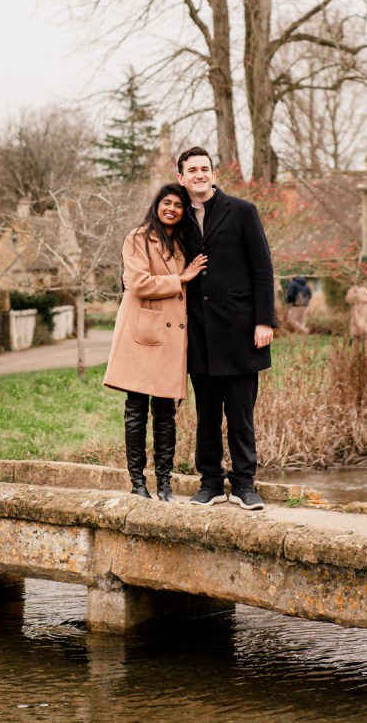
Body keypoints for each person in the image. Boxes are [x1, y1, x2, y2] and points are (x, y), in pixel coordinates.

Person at [176, 146, 276, 511]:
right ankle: (211, 483)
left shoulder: (243, 211)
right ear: (181, 177)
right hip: (198, 335)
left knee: (240, 414)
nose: (199, 174)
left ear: (213, 174)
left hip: (240, 332)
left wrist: (264, 320)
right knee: (206, 415)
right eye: (192, 169)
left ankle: (246, 484)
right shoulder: (176, 217)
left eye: (205, 168)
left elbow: (262, 268)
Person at [104, 183, 207, 501]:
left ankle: (164, 484)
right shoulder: (138, 237)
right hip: (142, 333)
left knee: (165, 413)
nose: (172, 209)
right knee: (135, 410)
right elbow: (136, 282)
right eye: (167, 202)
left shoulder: (184, 242)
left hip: (171, 338)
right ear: (157, 204)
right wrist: (181, 279)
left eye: (178, 205)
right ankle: (137, 484)